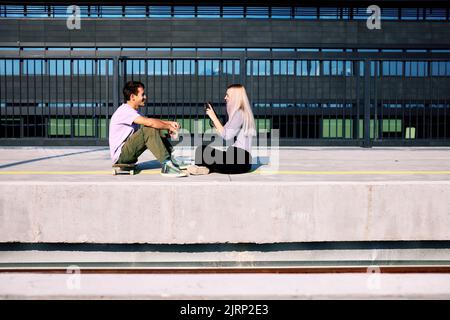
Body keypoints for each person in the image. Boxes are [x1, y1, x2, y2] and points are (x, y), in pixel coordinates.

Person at [109, 80, 189, 177]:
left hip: (127, 154)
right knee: (149, 129)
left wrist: (169, 123)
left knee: (154, 127)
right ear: (132, 97)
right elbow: (150, 123)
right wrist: (169, 126)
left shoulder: (134, 112)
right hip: (121, 156)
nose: (145, 97)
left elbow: (151, 121)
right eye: (142, 94)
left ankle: (171, 160)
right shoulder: (125, 111)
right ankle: (167, 165)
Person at [187, 84, 255, 175]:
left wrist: (213, 116)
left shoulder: (239, 113)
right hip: (241, 160)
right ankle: (205, 168)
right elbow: (223, 131)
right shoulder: (242, 113)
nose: (225, 98)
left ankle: (203, 167)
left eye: (227, 95)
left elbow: (226, 136)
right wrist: (214, 119)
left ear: (235, 97)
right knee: (204, 152)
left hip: (238, 159)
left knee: (202, 150)